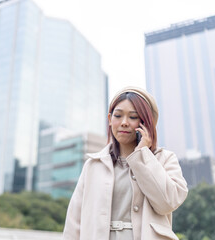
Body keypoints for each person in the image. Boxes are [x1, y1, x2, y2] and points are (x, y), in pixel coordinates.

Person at [63, 86, 188, 240]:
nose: (124, 123)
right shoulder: (93, 165)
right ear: (110, 119)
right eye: (118, 115)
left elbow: (167, 203)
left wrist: (142, 155)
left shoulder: (164, 159)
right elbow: (74, 223)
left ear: (146, 123)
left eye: (133, 117)